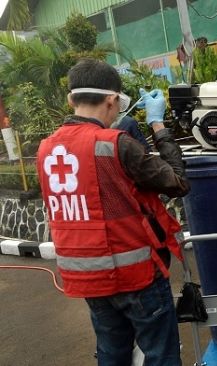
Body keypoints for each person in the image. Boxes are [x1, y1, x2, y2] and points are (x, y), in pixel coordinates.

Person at [36, 59, 189, 366]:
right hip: (136, 276)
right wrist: (158, 125)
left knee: (112, 353)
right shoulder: (117, 144)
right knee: (161, 356)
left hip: (88, 279)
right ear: (112, 99)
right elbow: (177, 182)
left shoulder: (46, 149)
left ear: (71, 100)